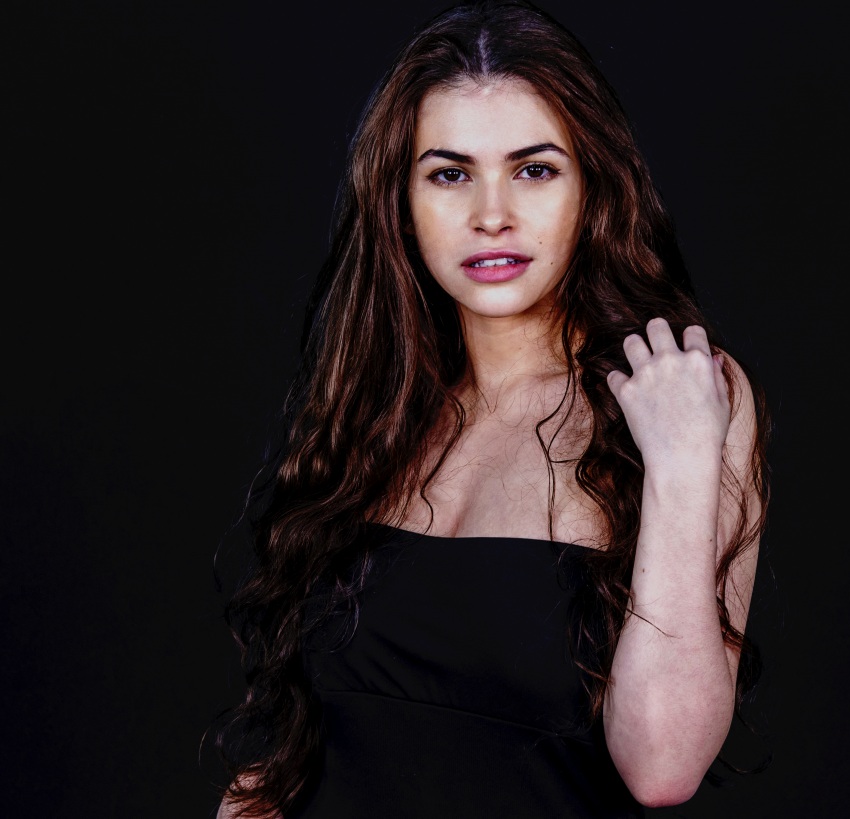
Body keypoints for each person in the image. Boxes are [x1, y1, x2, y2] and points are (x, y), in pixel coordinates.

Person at [212, 1, 771, 816]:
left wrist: (681, 464)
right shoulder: (378, 405)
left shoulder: (679, 393)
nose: (491, 215)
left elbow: (663, 767)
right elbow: (301, 751)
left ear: (594, 185)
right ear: (401, 202)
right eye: (450, 173)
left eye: (535, 169)